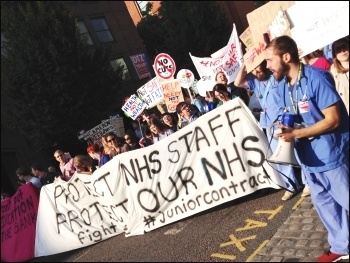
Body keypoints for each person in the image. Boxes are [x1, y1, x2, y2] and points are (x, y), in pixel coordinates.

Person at [265, 35, 349, 262]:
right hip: (308, 159)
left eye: (270, 60)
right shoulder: (285, 85)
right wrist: (284, 130)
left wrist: (297, 133)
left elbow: (332, 119)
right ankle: (342, 246)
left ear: (286, 56)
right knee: (326, 205)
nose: (267, 66)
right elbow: (294, 115)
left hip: (330, 154)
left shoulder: (316, 77)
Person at [234, 60, 302, 200]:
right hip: (269, 124)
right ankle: (292, 185)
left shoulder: (276, 76)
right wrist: (246, 64)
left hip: (284, 120)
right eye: (253, 70)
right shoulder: (254, 81)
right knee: (281, 157)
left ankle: (308, 182)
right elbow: (237, 82)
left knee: (297, 151)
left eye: (257, 67)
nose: (256, 71)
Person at [330, 36, 349, 114]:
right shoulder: (332, 74)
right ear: (335, 54)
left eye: (344, 46)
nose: (342, 50)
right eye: (338, 49)